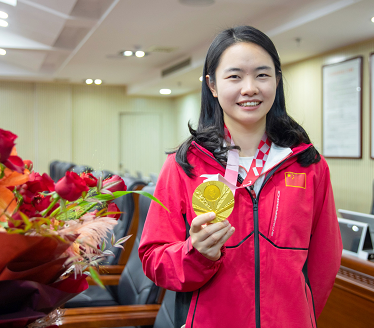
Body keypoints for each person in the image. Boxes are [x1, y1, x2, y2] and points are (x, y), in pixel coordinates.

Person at [139, 26, 342, 328]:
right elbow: (155, 260)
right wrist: (196, 254)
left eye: (262, 75)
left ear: (277, 80)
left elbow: (324, 263)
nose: (250, 88)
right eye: (234, 76)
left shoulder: (308, 164)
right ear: (212, 85)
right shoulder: (184, 165)